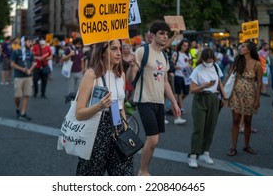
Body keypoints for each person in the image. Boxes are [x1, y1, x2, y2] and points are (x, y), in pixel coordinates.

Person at [126, 20, 183, 176]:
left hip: (159, 102)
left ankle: (144, 170)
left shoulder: (164, 56)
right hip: (144, 100)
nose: (165, 37)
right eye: (162, 33)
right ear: (152, 35)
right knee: (153, 140)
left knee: (153, 142)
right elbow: (131, 78)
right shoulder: (141, 51)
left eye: (167, 34)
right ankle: (142, 171)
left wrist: (174, 102)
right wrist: (131, 66)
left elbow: (165, 82)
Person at [75, 40, 133, 176]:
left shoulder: (121, 75)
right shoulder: (92, 75)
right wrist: (98, 106)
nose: (119, 53)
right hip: (96, 131)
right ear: (102, 52)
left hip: (118, 128)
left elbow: (121, 106)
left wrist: (125, 130)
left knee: (124, 174)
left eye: (120, 48)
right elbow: (79, 113)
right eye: (113, 49)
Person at [188, 47, 227, 168]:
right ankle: (193, 155)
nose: (209, 62)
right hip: (200, 98)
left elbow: (219, 82)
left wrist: (225, 96)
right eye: (207, 60)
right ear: (203, 59)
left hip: (213, 99)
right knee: (199, 128)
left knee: (210, 127)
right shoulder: (197, 70)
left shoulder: (216, 67)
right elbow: (192, 90)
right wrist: (203, 85)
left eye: (211, 60)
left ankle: (205, 152)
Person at [226, 41, 263, 156]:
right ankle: (233, 147)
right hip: (236, 94)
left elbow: (260, 83)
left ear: (249, 50)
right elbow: (229, 75)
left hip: (250, 95)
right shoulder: (237, 61)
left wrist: (257, 99)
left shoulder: (257, 64)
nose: (241, 48)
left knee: (248, 121)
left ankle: (247, 146)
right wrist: (222, 90)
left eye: (243, 47)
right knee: (236, 121)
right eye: (241, 47)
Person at [10, 37, 36, 121]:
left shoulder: (30, 52)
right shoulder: (16, 52)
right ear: (23, 42)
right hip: (18, 77)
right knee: (18, 96)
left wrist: (30, 70)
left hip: (28, 77)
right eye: (29, 41)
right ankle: (17, 107)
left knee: (26, 95)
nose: (31, 43)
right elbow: (12, 64)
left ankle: (23, 113)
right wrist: (22, 69)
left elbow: (33, 63)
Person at [172, 39, 191, 119]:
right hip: (178, 75)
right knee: (179, 92)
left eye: (187, 46)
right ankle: (181, 108)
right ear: (181, 45)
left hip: (186, 76)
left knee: (186, 92)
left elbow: (189, 64)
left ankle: (178, 103)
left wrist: (189, 67)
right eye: (184, 45)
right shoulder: (176, 54)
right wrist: (179, 67)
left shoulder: (188, 54)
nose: (185, 47)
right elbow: (172, 65)